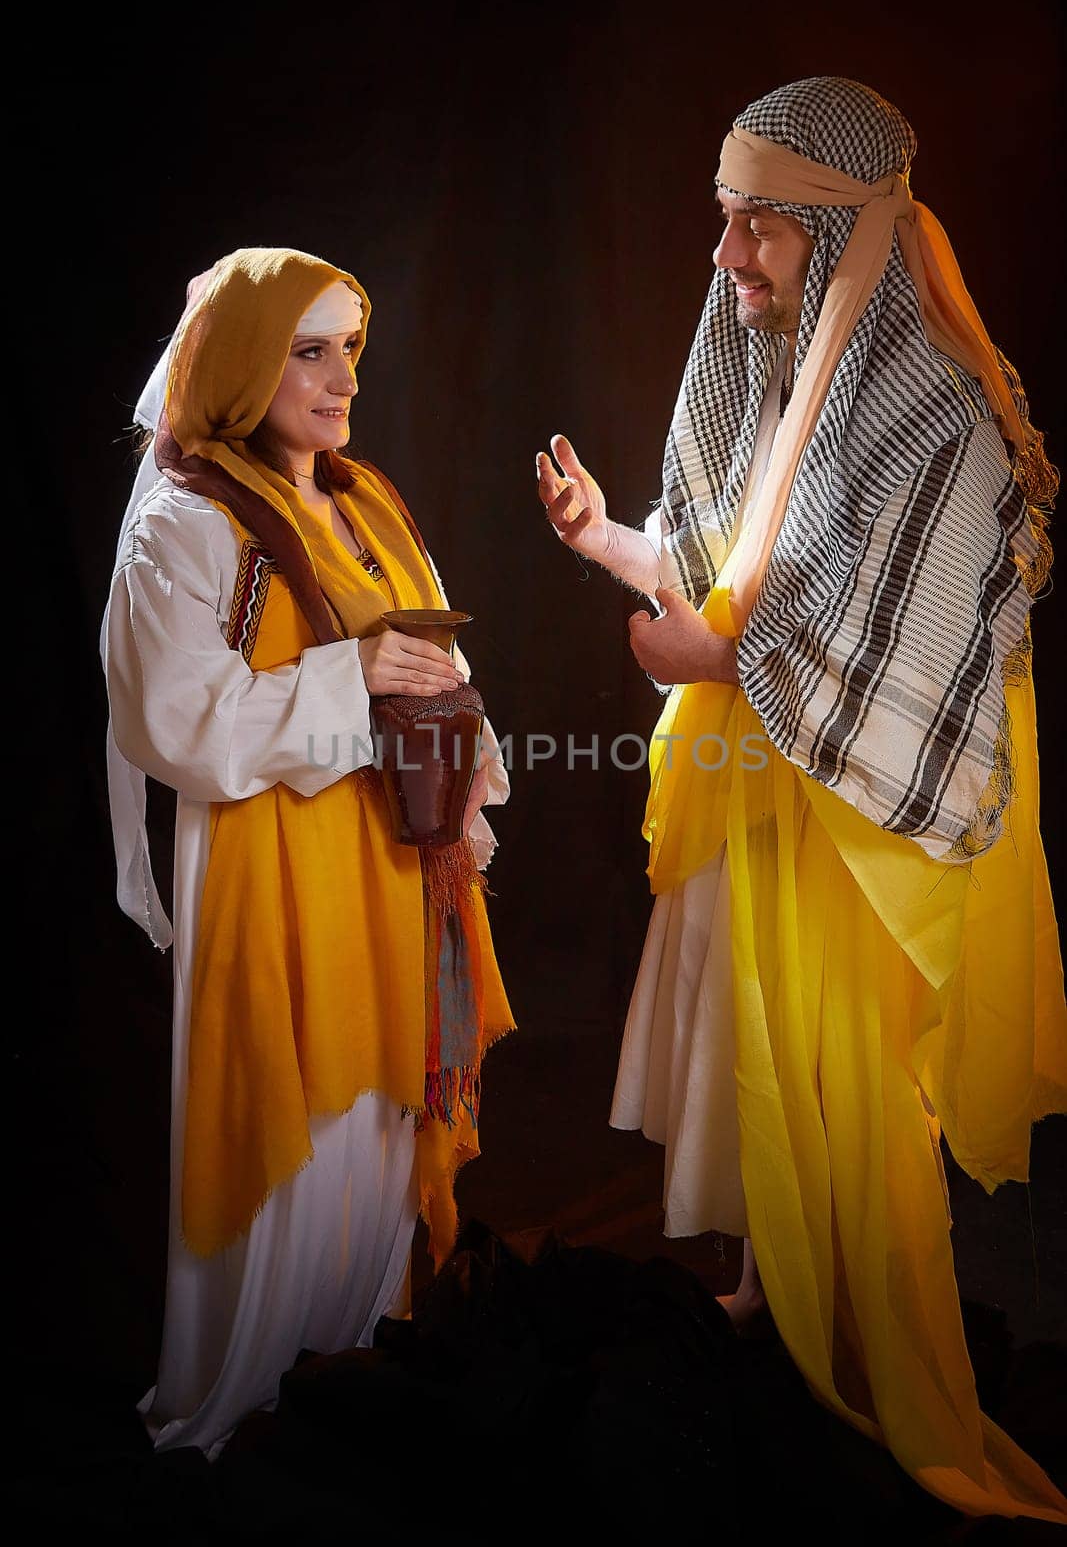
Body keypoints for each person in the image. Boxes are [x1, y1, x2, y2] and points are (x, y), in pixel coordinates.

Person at [537, 77, 1066, 1523]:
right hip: (763, 804)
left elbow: (869, 639)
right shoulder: (779, 383)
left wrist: (708, 651)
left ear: (838, 232)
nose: (725, 258)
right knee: (758, 1071)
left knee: (852, 1099)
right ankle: (772, 1302)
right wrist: (604, 547)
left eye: (756, 226)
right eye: (724, 221)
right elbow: (730, 581)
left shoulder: (939, 417)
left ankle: (881, 1370)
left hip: (858, 834)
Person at [102, 247, 515, 1457]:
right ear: (241, 361)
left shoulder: (364, 498)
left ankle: (357, 1354)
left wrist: (461, 772)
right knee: (291, 1112)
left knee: (382, 1110)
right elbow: (169, 718)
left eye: (351, 349)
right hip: (272, 868)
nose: (342, 381)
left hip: (389, 865)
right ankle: (252, 1395)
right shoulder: (182, 524)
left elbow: (435, 657)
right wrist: (352, 677)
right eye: (309, 349)